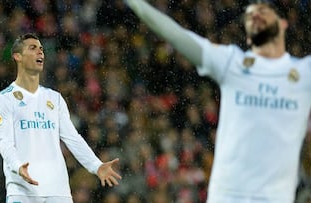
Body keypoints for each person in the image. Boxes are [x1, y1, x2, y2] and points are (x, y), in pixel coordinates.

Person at [124, 0, 311, 202]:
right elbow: (175, 34)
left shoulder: (304, 73)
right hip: (227, 195)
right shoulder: (231, 63)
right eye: (250, 17)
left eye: (262, 12)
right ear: (248, 36)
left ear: (283, 23)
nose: (255, 17)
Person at [0, 33, 122, 203]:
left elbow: (73, 138)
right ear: (18, 57)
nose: (40, 53)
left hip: (58, 191)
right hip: (23, 191)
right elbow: (4, 142)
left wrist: (96, 166)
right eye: (33, 48)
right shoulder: (4, 99)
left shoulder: (54, 98)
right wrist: (17, 166)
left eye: (41, 49)